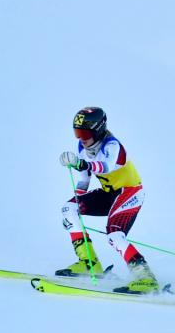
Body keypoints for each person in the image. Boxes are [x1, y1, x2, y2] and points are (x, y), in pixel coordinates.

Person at [58, 106, 159, 294]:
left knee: (114, 234)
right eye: (77, 132)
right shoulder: (82, 146)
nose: (81, 138)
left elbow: (104, 167)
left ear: (98, 130)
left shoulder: (113, 146)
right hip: (109, 193)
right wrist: (77, 209)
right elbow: (84, 178)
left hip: (130, 192)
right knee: (69, 208)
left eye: (85, 133)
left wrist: (81, 163)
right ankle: (88, 263)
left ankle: (145, 277)